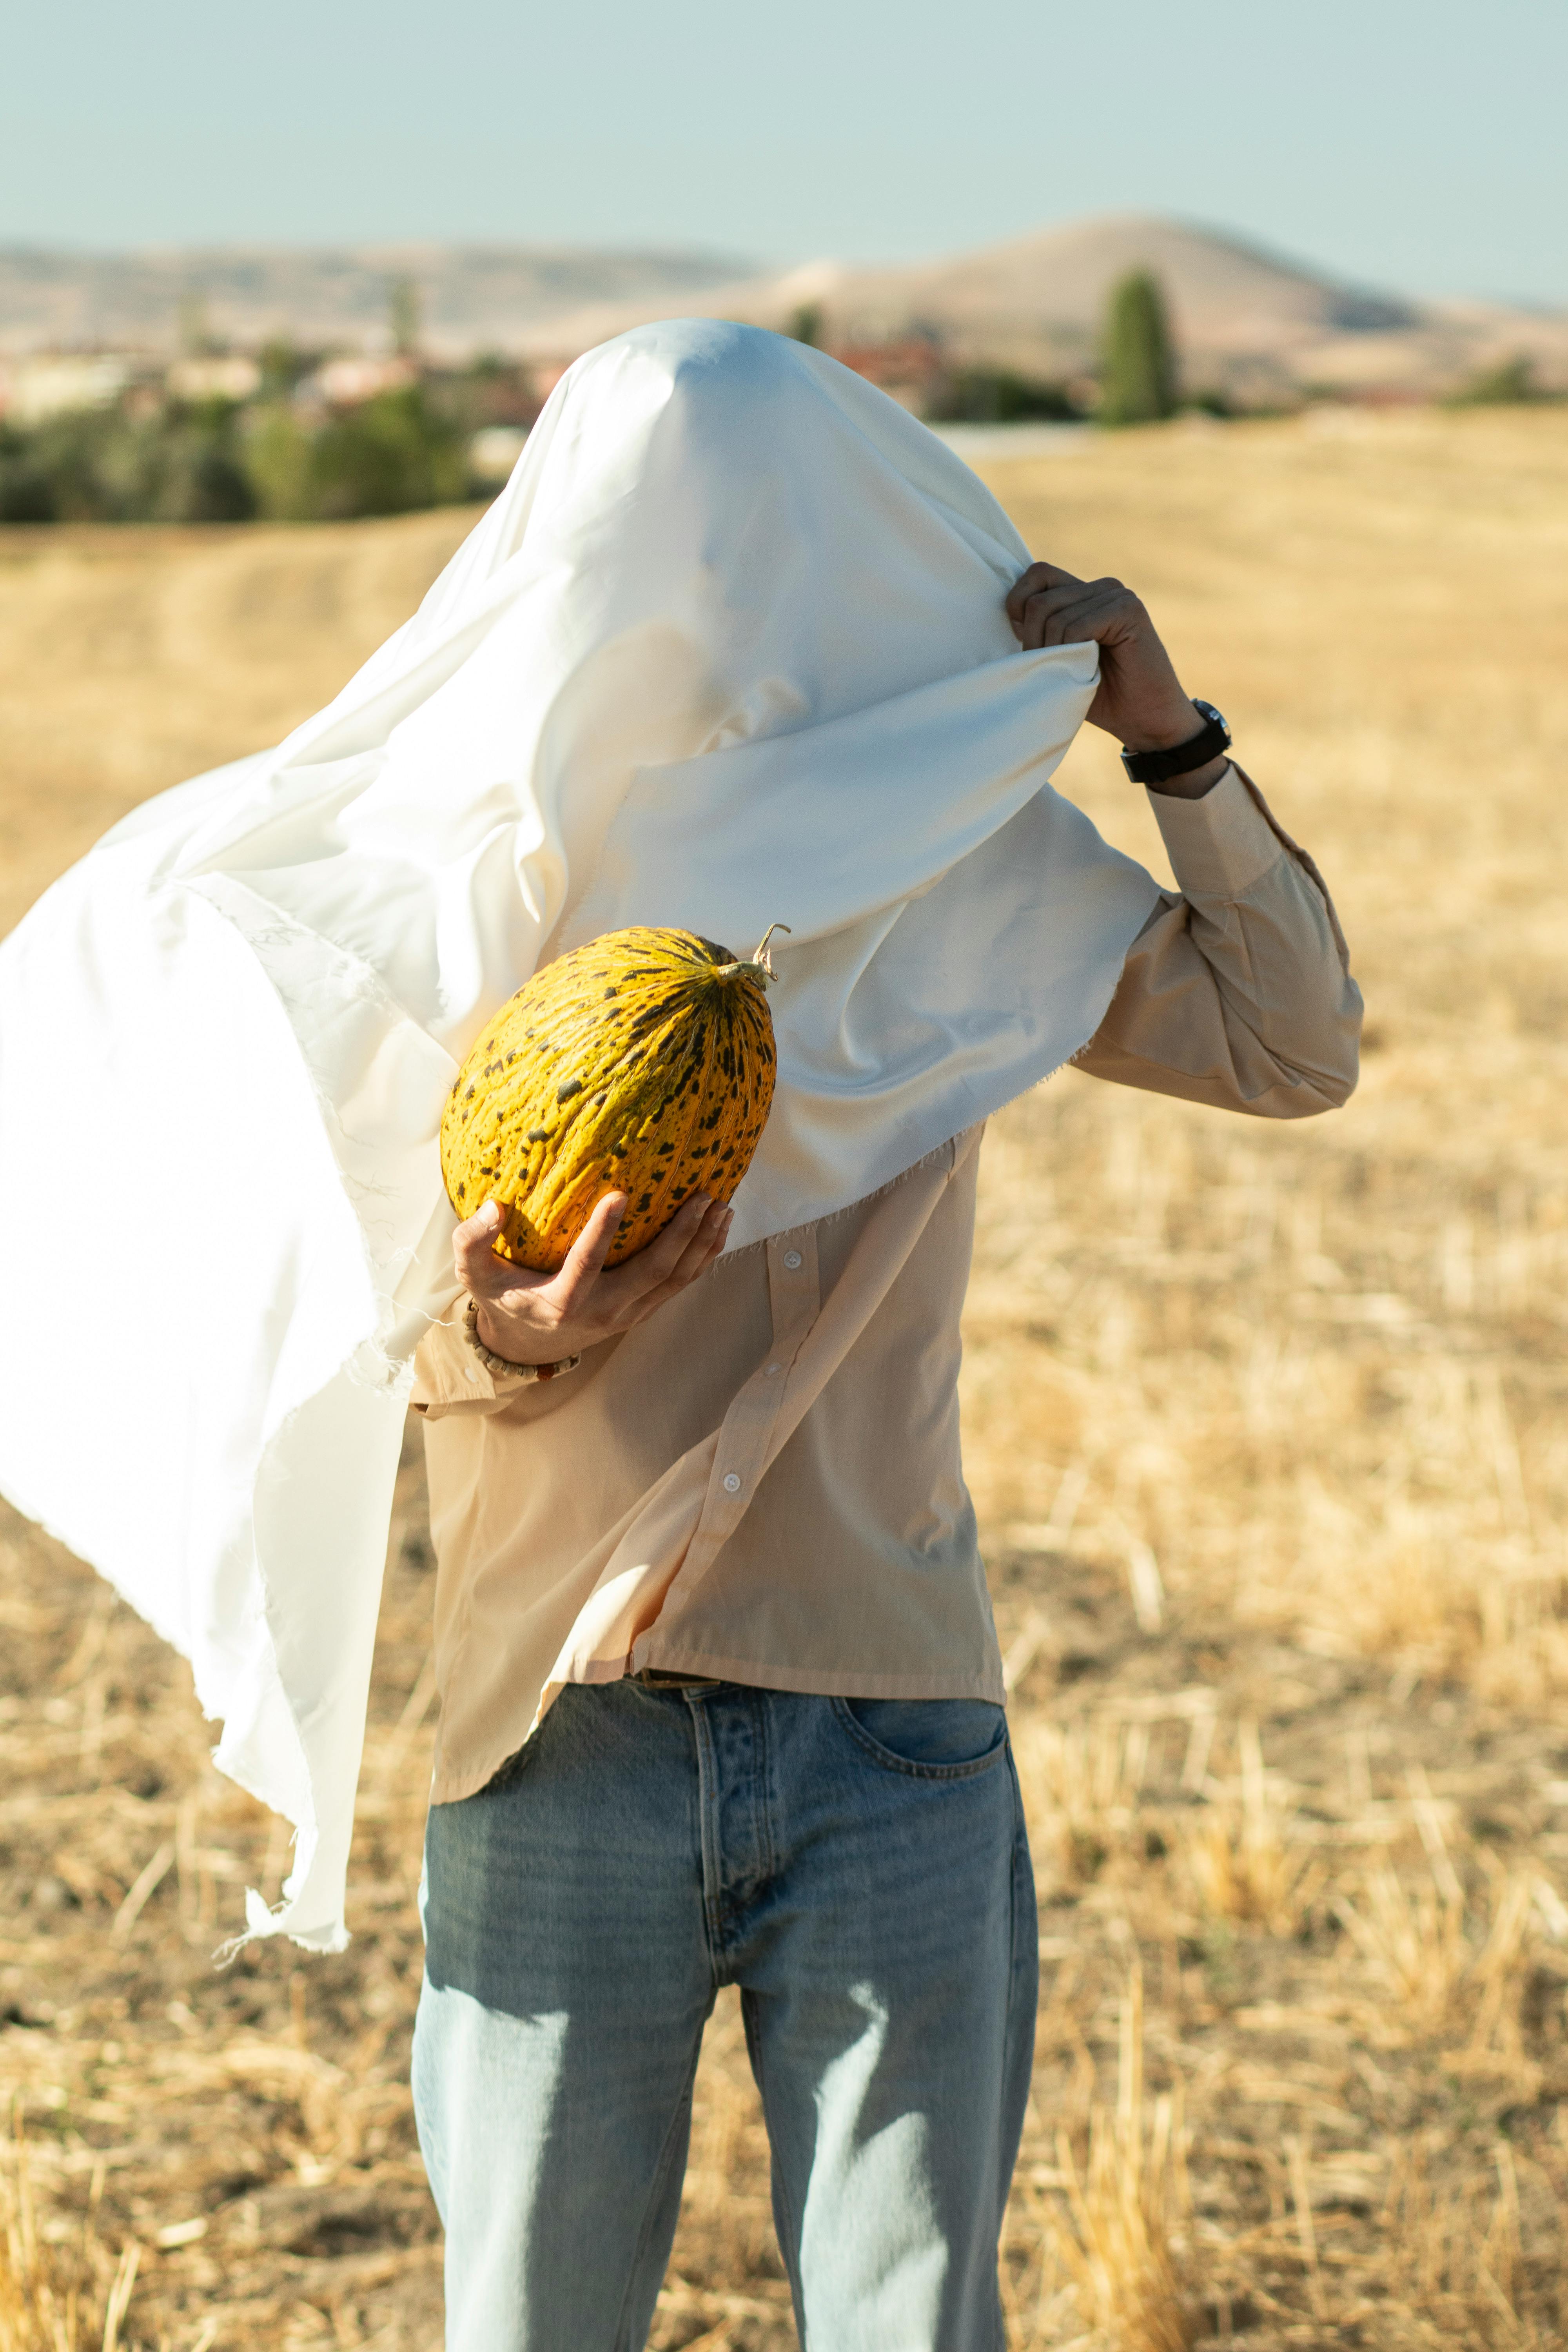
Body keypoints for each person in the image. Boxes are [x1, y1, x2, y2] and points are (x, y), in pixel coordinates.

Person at [407, 546, 1361, 2344]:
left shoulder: (963, 882)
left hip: (891, 1727)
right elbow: (349, 1319)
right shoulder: (486, 893)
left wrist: (1173, 747)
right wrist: (500, 1333)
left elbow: (1291, 1048)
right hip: (557, 1732)